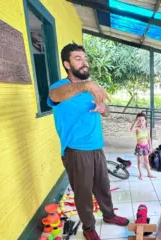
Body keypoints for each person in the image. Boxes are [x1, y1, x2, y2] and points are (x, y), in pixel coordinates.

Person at [47, 43, 129, 240]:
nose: (84, 63)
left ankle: (109, 215)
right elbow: (54, 97)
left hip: (96, 147)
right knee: (83, 193)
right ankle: (89, 227)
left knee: (103, 186)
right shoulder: (59, 88)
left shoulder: (90, 89)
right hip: (76, 150)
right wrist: (86, 84)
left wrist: (103, 109)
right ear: (67, 64)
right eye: (78, 59)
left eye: (85, 58)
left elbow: (106, 111)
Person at [130, 112, 155, 180]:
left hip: (146, 147)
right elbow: (131, 130)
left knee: (147, 161)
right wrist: (136, 122)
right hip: (139, 147)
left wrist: (150, 147)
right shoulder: (137, 128)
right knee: (139, 161)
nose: (141, 122)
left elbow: (149, 138)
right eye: (139, 120)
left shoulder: (147, 129)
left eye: (142, 120)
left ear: (145, 121)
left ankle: (149, 173)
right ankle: (140, 174)